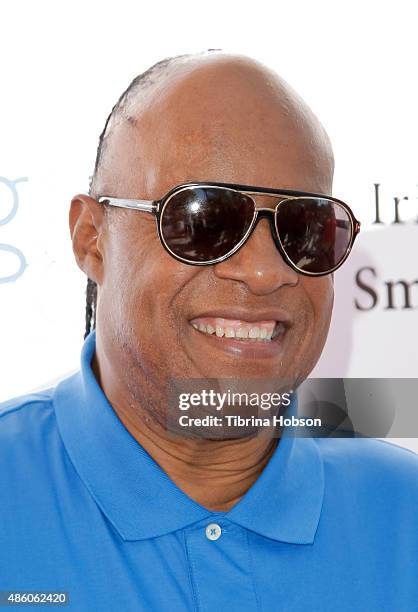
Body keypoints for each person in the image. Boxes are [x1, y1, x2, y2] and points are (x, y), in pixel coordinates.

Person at [1, 50, 417, 612]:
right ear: (91, 238)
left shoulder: (402, 515)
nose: (266, 271)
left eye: (306, 227)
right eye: (203, 219)